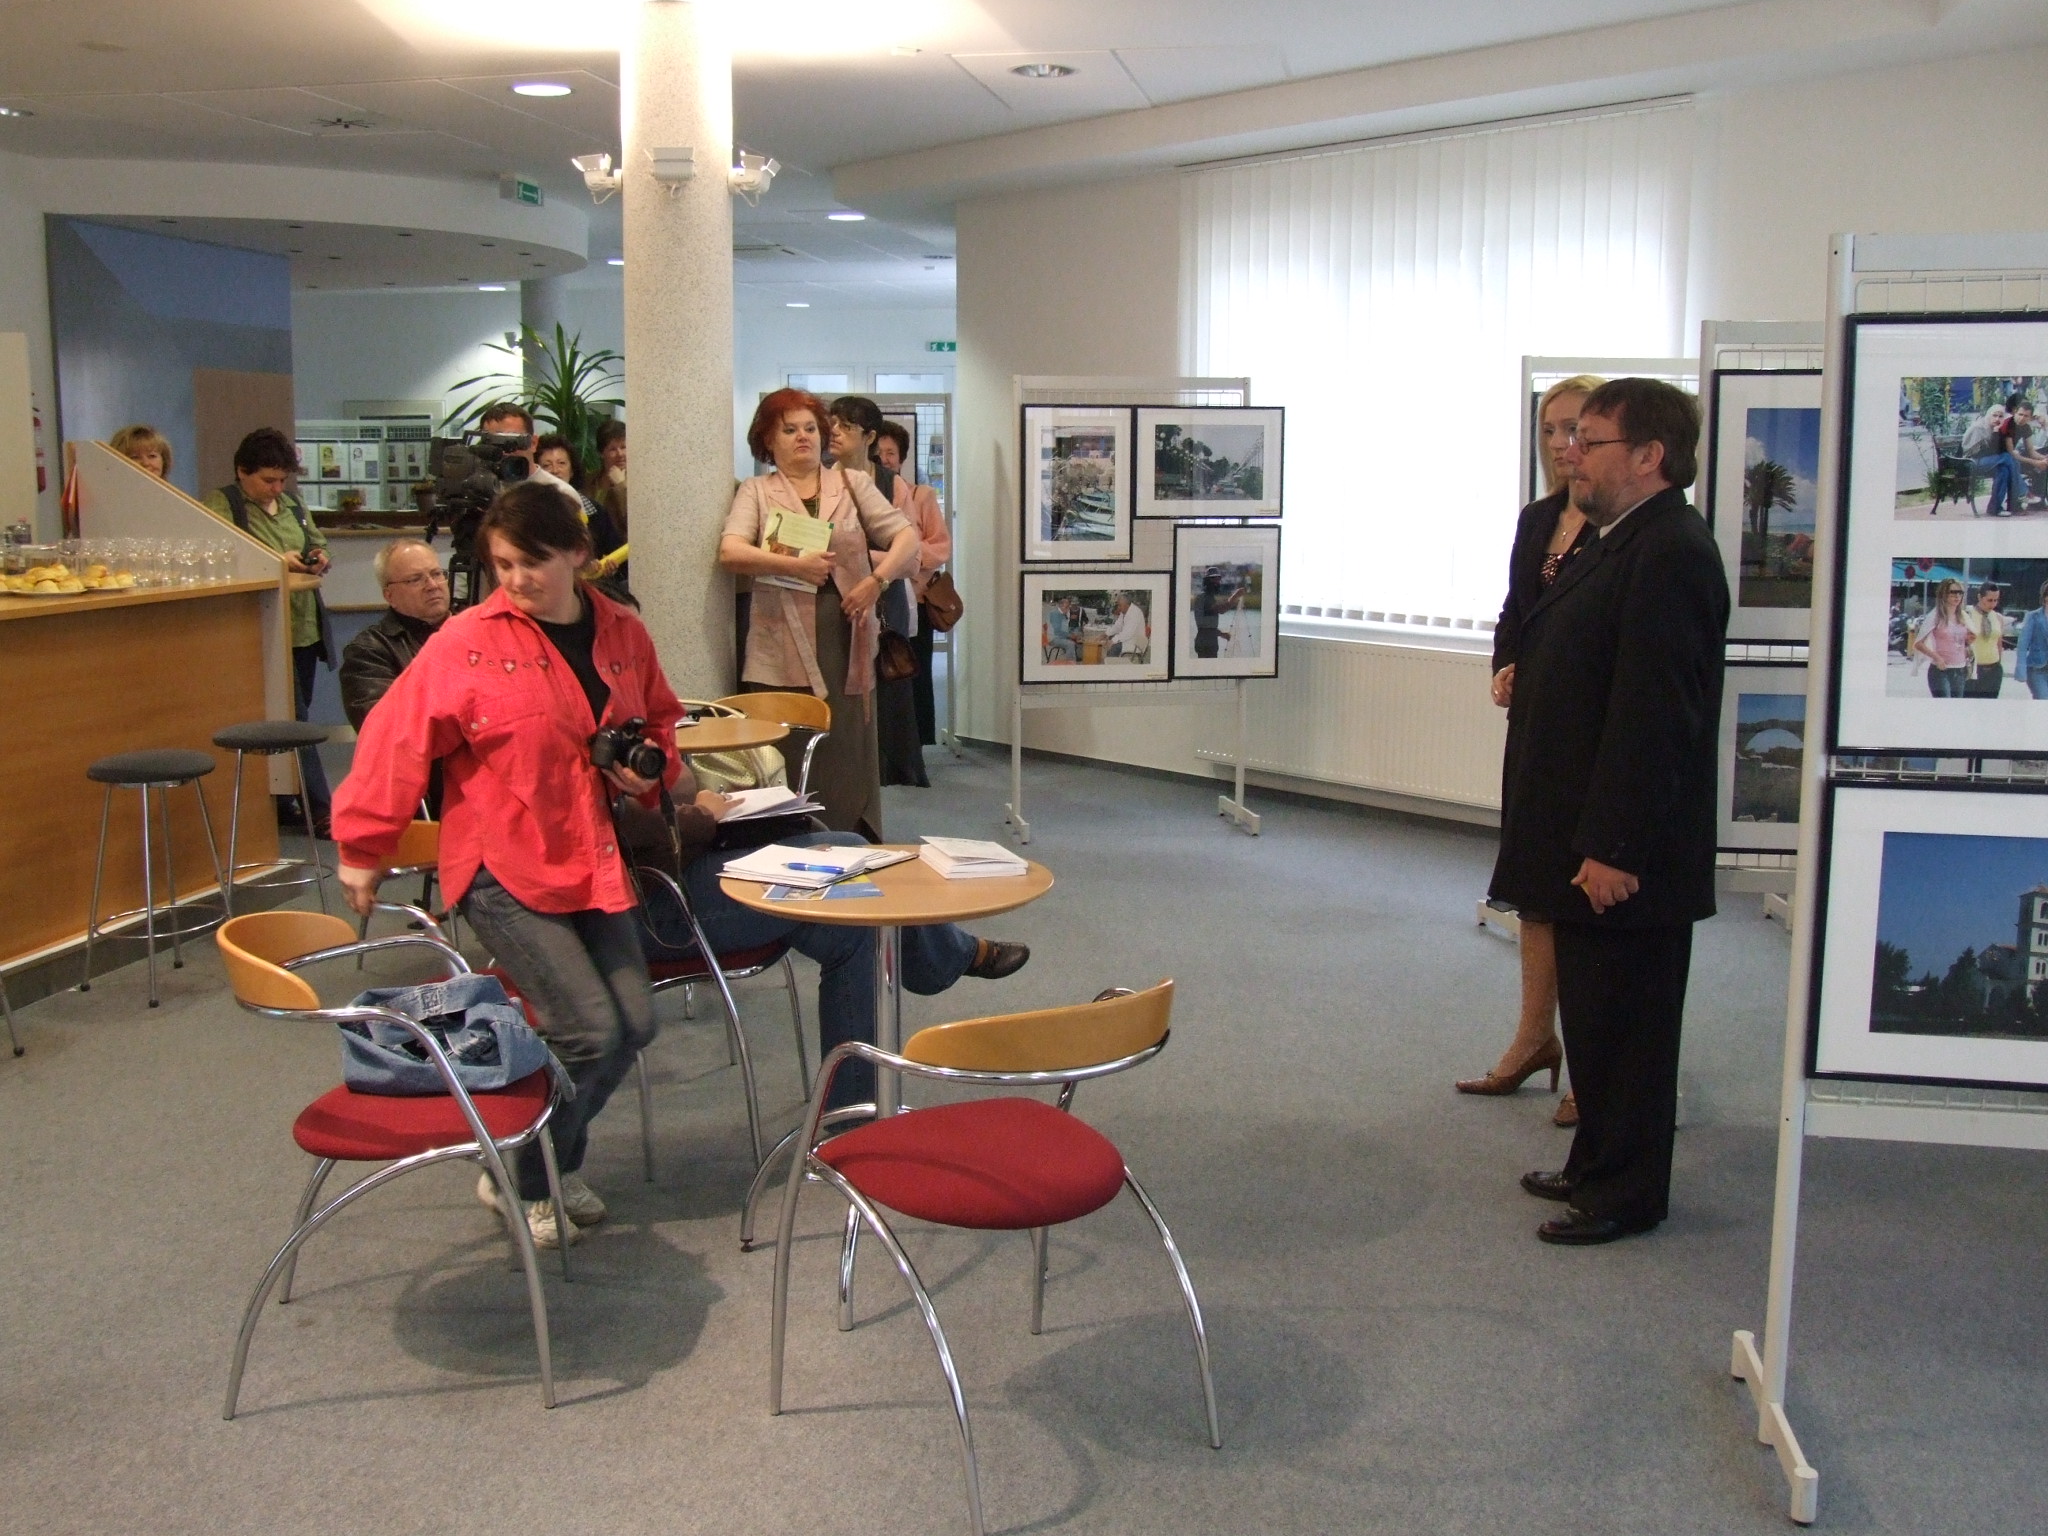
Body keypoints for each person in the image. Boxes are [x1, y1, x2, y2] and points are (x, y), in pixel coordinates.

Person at [333, 482, 679, 1250]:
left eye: (533, 562)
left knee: (634, 1024)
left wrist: (646, 771)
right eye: (502, 565)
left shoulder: (622, 631)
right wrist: (363, 846)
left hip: (589, 856)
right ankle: (527, 1175)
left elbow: (658, 720)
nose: (516, 580)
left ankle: (541, 1158)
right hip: (500, 865)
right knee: (590, 1030)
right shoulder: (466, 641)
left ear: (578, 555)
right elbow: (395, 740)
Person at [1490, 376, 1728, 1245]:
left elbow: (1655, 718)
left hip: (1628, 854)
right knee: (1595, 1017)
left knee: (1630, 1030)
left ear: (1649, 455)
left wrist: (1616, 847)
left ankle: (1625, 1193)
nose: (1571, 455)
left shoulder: (1672, 552)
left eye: (1590, 442)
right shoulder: (1617, 538)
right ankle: (1595, 1163)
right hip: (1581, 830)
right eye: (1569, 439)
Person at [626, 769, 1029, 1113]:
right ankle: (946, 958)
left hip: (679, 859)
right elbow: (631, 822)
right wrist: (702, 812)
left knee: (851, 917)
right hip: (644, 903)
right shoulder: (593, 733)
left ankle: (851, 1115)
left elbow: (668, 786)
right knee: (852, 856)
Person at [1461, 374, 1605, 1127]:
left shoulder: (1623, 527)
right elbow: (1517, 610)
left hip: (1591, 736)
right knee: (1538, 889)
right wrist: (1507, 664)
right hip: (1537, 732)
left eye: (1575, 428)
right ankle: (1532, 1039)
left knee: (1585, 901)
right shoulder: (1539, 517)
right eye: (1550, 429)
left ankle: (1594, 1066)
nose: (1561, 444)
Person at [720, 389, 920, 841]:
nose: (803, 437)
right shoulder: (756, 491)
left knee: (845, 745)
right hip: (780, 641)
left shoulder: (852, 484)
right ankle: (788, 841)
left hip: (845, 637)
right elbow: (731, 552)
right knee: (786, 742)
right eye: (789, 429)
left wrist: (876, 581)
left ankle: (850, 836)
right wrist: (794, 566)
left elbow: (906, 539)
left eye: (810, 428)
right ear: (767, 439)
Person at [204, 427, 333, 837]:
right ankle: (321, 807)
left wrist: (318, 557)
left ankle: (279, 803)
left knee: (294, 710)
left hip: (304, 624)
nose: (276, 488)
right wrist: (279, 559)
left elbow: (317, 541)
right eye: (267, 480)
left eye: (282, 480)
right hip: (264, 625)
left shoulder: (293, 504)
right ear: (242, 472)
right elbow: (225, 555)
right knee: (294, 717)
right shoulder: (223, 504)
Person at [827, 396, 926, 788]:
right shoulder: (822, 479)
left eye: (846, 426)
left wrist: (864, 559)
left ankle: (888, 769)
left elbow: (912, 554)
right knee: (844, 682)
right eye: (832, 423)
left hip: (886, 596)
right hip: (839, 595)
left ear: (868, 436)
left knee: (888, 679)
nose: (834, 432)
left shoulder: (891, 484)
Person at [875, 420, 951, 749]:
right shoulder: (861, 496)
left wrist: (906, 558)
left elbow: (941, 547)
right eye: (878, 452)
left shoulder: (921, 495)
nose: (884, 458)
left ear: (902, 458)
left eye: (891, 452)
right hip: (873, 600)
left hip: (914, 600)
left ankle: (916, 749)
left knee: (914, 674)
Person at [339, 538, 450, 731]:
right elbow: (383, 728)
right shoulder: (369, 651)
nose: (433, 585)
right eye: (415, 579)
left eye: (436, 574)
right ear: (389, 596)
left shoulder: (475, 631)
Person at [1912, 577, 1971, 697]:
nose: (1957, 596)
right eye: (1953, 592)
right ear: (1944, 594)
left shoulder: (1963, 616)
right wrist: (1937, 658)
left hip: (1960, 669)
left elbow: (1967, 639)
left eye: (1960, 592)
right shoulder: (1935, 615)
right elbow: (1918, 643)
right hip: (1941, 671)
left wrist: (1968, 646)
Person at [1961, 404, 2021, 517]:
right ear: (1988, 416)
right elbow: (1975, 453)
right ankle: (2021, 493)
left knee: (2003, 470)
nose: (1997, 419)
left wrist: (1996, 432)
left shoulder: (1996, 429)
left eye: (2000, 416)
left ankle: (1995, 508)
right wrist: (1996, 433)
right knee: (2007, 457)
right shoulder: (1978, 428)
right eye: (1994, 415)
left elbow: (1995, 451)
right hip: (1970, 463)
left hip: (1986, 462)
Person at [1963, 583, 2010, 698]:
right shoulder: (1967, 615)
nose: (1993, 604)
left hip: (1993, 669)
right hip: (1973, 668)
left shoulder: (1998, 617)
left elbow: (1998, 642)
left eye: (1995, 600)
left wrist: (1999, 662)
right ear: (1980, 597)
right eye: (1989, 600)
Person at [2017, 580, 2048, 700]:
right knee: (2043, 699)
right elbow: (2022, 645)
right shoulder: (2033, 616)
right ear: (2045, 597)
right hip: (2037, 669)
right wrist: (2021, 669)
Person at [1107, 591, 1151, 659]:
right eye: (1118, 605)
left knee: (1115, 646)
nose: (1118, 607)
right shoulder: (1124, 610)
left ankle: (1111, 663)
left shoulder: (1134, 613)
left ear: (1126, 604)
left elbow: (1127, 633)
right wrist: (1106, 634)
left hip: (1135, 643)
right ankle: (1110, 660)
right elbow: (1118, 626)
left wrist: (1113, 641)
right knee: (1111, 638)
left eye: (1120, 605)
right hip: (1129, 639)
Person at [1044, 596, 1077, 661]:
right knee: (1070, 644)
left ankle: (1072, 659)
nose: (1068, 610)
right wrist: (1070, 635)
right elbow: (1057, 631)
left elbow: (1064, 628)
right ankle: (1069, 663)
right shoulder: (1055, 614)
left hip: (1060, 636)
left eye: (1068, 607)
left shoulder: (1062, 614)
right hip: (1053, 638)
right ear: (1061, 606)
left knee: (1076, 639)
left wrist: (1072, 633)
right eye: (1067, 607)